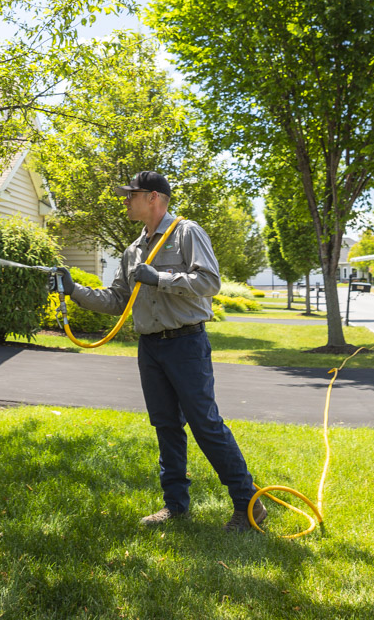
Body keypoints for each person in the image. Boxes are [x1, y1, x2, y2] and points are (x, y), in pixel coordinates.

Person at [51, 171, 266, 532]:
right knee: (166, 425)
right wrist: (75, 290)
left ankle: (248, 504)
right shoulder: (132, 250)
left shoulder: (186, 232)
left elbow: (209, 282)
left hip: (186, 343)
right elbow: (119, 301)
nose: (125, 201)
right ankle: (175, 506)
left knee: (205, 424)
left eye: (130, 195)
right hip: (150, 347)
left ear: (153, 197)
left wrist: (160, 279)